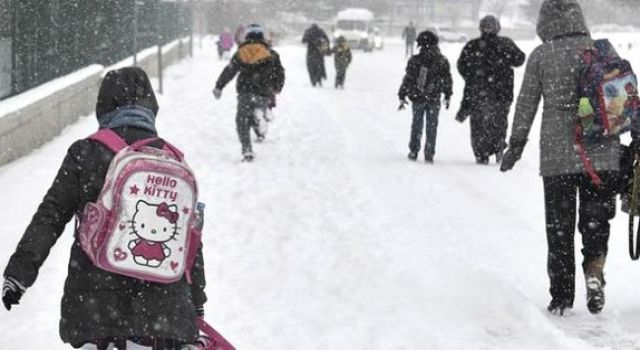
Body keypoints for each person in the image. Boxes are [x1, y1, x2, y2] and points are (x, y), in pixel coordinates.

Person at [1, 67, 208, 349]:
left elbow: (50, 216)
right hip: (164, 313)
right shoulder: (172, 161)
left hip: (96, 308)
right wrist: (196, 302)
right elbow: (189, 240)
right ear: (151, 107)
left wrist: (19, 274)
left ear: (104, 106)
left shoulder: (85, 153)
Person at [500, 0, 629, 316]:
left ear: (544, 22)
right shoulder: (601, 50)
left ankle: (561, 297)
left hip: (558, 156)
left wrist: (515, 145)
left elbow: (526, 104)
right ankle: (594, 271)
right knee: (595, 222)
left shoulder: (542, 56)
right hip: (602, 155)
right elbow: (622, 100)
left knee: (559, 226)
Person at [457, 15, 525, 164]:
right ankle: (498, 146)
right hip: (502, 92)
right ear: (497, 28)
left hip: (478, 93)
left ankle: (481, 152)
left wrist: (472, 78)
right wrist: (506, 59)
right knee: (499, 122)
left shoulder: (473, 46)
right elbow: (520, 59)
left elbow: (461, 65)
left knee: (478, 124)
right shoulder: (505, 44)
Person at [213, 24, 285, 162]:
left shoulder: (241, 52)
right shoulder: (272, 54)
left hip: (245, 91)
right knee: (257, 110)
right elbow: (279, 73)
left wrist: (219, 86)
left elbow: (229, 71)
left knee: (242, 121)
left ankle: (247, 150)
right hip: (264, 92)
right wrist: (277, 87)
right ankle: (261, 117)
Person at [398, 30, 453, 163]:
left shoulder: (415, 60)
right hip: (434, 97)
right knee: (432, 126)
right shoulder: (442, 60)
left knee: (417, 124)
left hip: (418, 97)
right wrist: (447, 94)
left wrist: (402, 94)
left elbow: (408, 79)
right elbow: (447, 79)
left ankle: (414, 150)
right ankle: (429, 152)